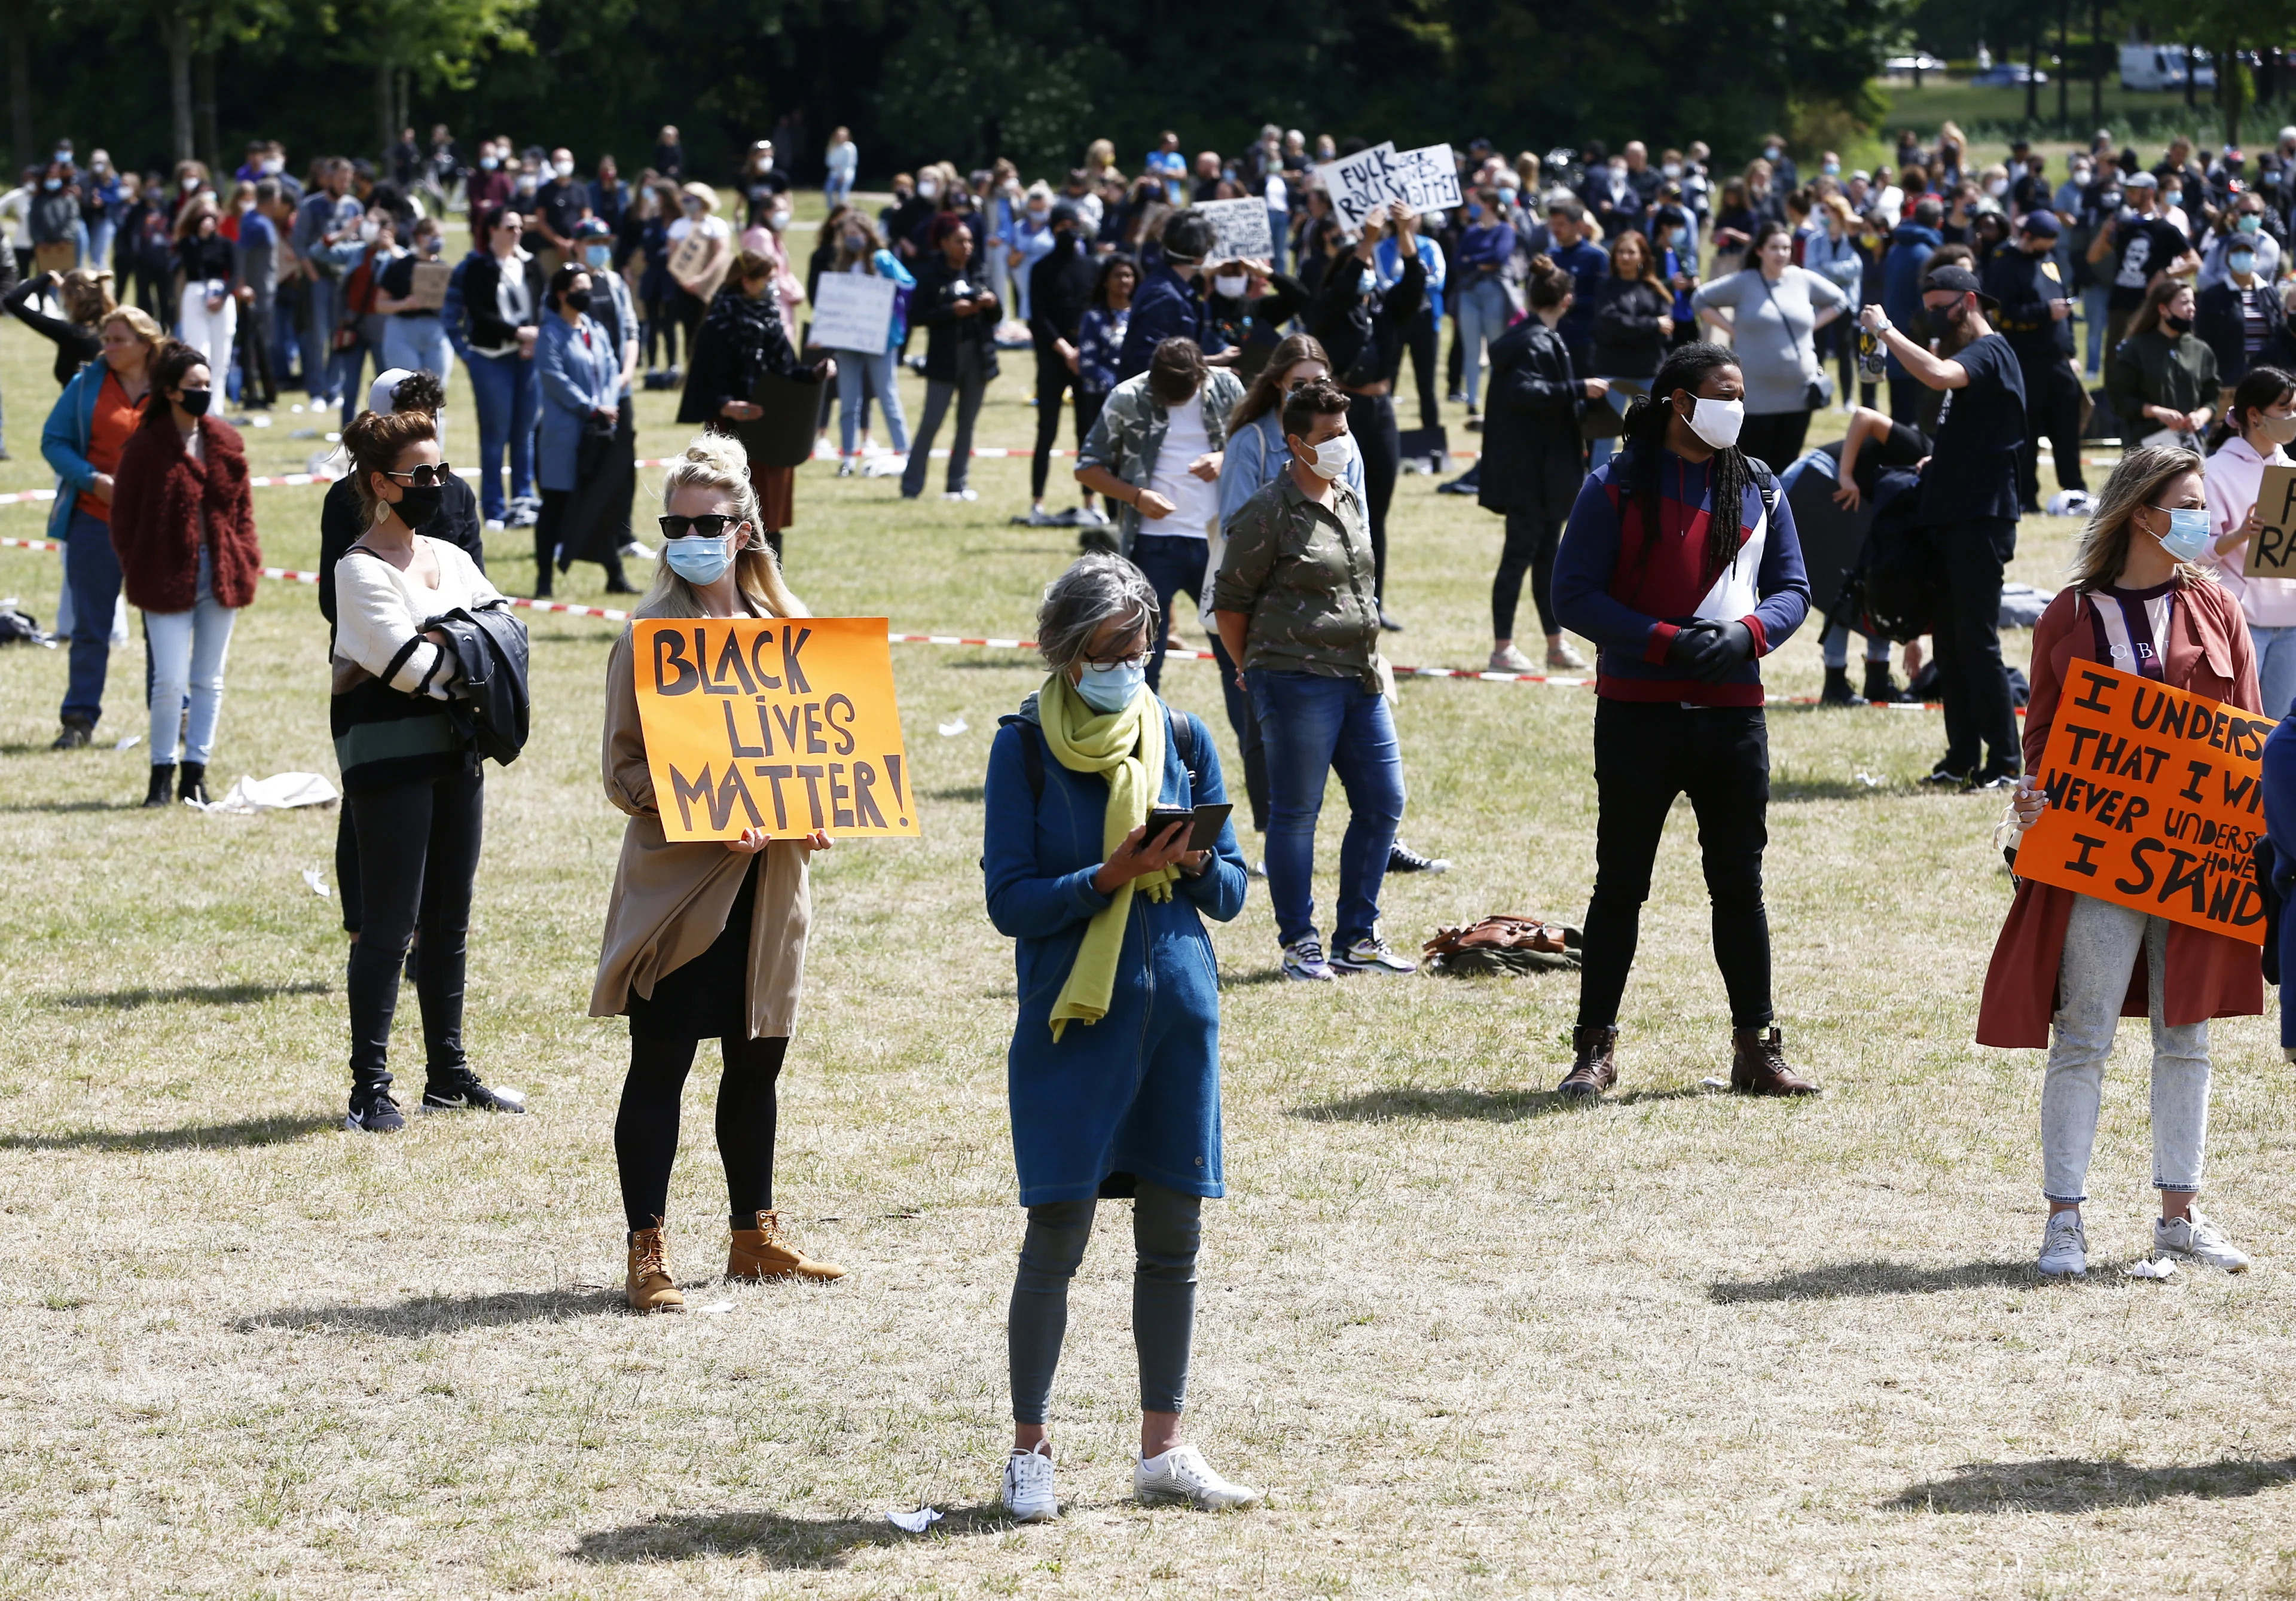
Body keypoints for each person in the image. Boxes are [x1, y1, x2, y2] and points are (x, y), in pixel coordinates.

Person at [981, 552, 1257, 1520]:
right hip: (1073, 1024)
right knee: (1056, 1231)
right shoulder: (1022, 748)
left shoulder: (1182, 733)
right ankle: (1029, 1450)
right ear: (1065, 654)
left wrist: (1186, 859)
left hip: (1178, 1017)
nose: (1127, 666)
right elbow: (1009, 901)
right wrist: (1104, 877)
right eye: (1108, 651)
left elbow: (1231, 889)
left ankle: (1164, 1446)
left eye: (1141, 649)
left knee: (1173, 1237)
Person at [1980, 447, 2260, 1278]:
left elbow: (2246, 734)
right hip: (2098, 862)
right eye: (2187, 503)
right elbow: (2043, 742)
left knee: (2188, 1034)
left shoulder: (2219, 609)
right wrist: (2030, 798)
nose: (2202, 520)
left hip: (2198, 862)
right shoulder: (2068, 613)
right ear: (2142, 513)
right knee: (2084, 1035)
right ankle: (2064, 1221)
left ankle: (2181, 1216)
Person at [593, 435, 841, 1309]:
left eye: (708, 521)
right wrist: (700, 810)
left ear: (744, 530)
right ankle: (646, 1250)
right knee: (659, 1066)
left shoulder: (787, 631)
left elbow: (819, 756)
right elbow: (624, 772)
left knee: (757, 1063)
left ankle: (754, 1235)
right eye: (675, 522)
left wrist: (814, 808)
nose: (690, 535)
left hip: (770, 893)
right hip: (682, 892)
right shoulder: (650, 635)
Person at [1550, 341, 1818, 1099]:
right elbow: (1574, 596)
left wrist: (1749, 635)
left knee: (1741, 884)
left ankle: (1757, 1048)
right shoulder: (1615, 485)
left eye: (1740, 392)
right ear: (1678, 401)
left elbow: (1793, 586)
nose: (1737, 406)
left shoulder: (1762, 485)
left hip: (1735, 718)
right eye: (1722, 392)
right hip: (1638, 715)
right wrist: (1665, 640)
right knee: (1620, 886)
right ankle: (1594, 1049)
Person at [329, 405, 525, 1133]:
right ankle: (369, 1087)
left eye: (440, 469)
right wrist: (469, 647)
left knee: (449, 920)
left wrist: (459, 643)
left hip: (457, 752)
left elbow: (509, 633)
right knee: (389, 925)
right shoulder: (358, 567)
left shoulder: (454, 554)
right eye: (422, 473)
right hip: (389, 758)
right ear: (382, 482)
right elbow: (409, 668)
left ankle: (447, 1073)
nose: (437, 482)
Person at [1213, 378, 1415, 981]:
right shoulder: (1267, 512)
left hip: (1358, 675)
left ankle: (1356, 937)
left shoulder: (1349, 497)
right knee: (1296, 813)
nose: (1343, 443)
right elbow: (1231, 602)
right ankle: (1299, 942)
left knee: (1383, 802)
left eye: (1346, 431)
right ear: (1296, 443)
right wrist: (1249, 664)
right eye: (1330, 435)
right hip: (1295, 677)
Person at [1860, 265, 2028, 789]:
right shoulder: (1969, 360)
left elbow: (1936, 374)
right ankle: (1960, 759)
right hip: (1953, 515)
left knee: (1975, 642)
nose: (1935, 315)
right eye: (1927, 305)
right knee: (1951, 645)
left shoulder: (1990, 351)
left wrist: (1886, 332)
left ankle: (2004, 762)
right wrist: (1943, 461)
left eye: (1942, 305)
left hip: (1981, 519)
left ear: (1970, 301)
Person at [108, 340, 257, 808]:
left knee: (209, 679)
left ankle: (196, 772)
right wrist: (138, 564)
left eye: (208, 385)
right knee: (169, 679)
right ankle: (160, 773)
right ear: (170, 391)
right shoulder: (145, 447)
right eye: (195, 386)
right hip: (164, 572)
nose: (204, 392)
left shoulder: (227, 441)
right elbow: (123, 519)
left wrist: (246, 556)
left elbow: (244, 512)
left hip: (222, 572)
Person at [1073, 336, 1246, 691]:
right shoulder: (1128, 397)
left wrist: (1225, 459)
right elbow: (1086, 467)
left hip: (1220, 545)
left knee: (1238, 664)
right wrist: (1137, 497)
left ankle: (1253, 748)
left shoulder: (1228, 388)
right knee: (1140, 666)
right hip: (1151, 547)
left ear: (1202, 375)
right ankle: (1142, 746)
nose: (1172, 401)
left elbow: (1262, 450)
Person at [44, 306, 162, 750]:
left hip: (155, 529)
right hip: (94, 522)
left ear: (146, 344)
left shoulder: (171, 387)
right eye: (106, 339)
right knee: (90, 628)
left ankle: (173, 715)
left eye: (118, 340)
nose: (107, 347)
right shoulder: (84, 385)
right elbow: (52, 440)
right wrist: (91, 479)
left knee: (162, 626)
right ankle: (78, 720)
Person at [1483, 254, 1602, 675]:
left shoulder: (1533, 337)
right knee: (1518, 556)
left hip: (1545, 473)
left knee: (1549, 558)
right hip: (1529, 474)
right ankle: (1502, 649)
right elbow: (1524, 392)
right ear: (1566, 301)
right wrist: (1579, 388)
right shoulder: (1533, 342)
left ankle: (1555, 643)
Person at [1305, 201, 1422, 630]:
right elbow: (1335, 297)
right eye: (1364, 265)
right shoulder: (1332, 310)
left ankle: (1374, 599)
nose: (1371, 269)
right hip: (1341, 412)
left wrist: (1405, 234)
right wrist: (1367, 241)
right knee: (1336, 505)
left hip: (1380, 413)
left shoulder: (1385, 311)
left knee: (1377, 510)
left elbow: (1414, 286)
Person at [677, 248, 831, 558]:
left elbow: (784, 370)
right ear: (746, 281)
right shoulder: (719, 324)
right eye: (767, 279)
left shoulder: (770, 321)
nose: (772, 286)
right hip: (730, 431)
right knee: (733, 512)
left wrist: (815, 372)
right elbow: (703, 382)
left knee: (770, 514)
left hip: (770, 429)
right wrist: (726, 405)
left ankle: (773, 582)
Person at [1691, 219, 1849, 467]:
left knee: (1787, 465)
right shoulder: (1744, 282)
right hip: (1756, 396)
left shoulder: (1802, 279)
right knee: (1754, 466)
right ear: (1759, 250)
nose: (1782, 254)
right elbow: (1700, 299)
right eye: (1775, 247)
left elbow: (1840, 300)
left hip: (1798, 393)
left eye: (1786, 248)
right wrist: (1732, 329)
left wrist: (1811, 325)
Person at [1814, 405, 1926, 704]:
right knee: (1847, 585)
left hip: (1839, 493)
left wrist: (1911, 637)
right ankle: (1835, 682)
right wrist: (1847, 475)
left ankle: (1877, 678)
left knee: (1881, 576)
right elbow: (1864, 416)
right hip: (1817, 480)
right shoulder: (1921, 448)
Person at [444, 205, 544, 531]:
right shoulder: (476, 267)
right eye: (509, 227)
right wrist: (470, 353)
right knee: (495, 435)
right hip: (490, 358)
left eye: (519, 227)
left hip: (527, 360)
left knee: (524, 433)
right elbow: (477, 311)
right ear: (492, 231)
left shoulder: (530, 265)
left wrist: (534, 338)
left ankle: (524, 502)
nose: (516, 233)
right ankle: (495, 510)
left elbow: (542, 305)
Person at [2202, 366, 2296, 715]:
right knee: (2235, 724)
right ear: (2255, 415)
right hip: (2242, 619)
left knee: (2280, 727)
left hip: (2292, 619)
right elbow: (2195, 552)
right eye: (2284, 409)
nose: (2292, 417)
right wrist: (2239, 535)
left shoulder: (2291, 471)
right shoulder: (2215, 471)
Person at [533, 264, 631, 597]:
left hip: (600, 431)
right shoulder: (550, 333)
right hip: (564, 435)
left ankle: (614, 575)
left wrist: (607, 404)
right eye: (580, 287)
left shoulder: (596, 329)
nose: (587, 293)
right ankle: (544, 579)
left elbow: (611, 370)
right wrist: (591, 407)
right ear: (562, 294)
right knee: (555, 505)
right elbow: (554, 378)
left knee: (603, 502)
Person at [1986, 210, 2086, 514]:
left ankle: (2076, 492)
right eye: (2045, 241)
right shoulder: (2005, 264)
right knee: (2027, 432)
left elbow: (2061, 303)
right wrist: (2044, 312)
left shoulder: (2048, 260)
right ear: (2029, 237)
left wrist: (2070, 353)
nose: (2049, 246)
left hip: (2058, 361)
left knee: (2067, 430)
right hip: (2026, 361)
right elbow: (2003, 314)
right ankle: (2026, 496)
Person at [900, 216, 999, 502]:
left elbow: (998, 316)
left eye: (969, 241)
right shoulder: (932, 273)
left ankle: (957, 484)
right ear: (944, 244)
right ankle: (911, 486)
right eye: (960, 241)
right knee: (931, 422)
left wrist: (992, 304)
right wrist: (951, 311)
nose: (967, 246)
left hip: (978, 357)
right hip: (944, 358)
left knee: (967, 423)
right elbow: (918, 316)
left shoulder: (979, 269)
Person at [817, 212, 913, 474]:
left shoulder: (881, 259)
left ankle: (905, 453)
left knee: (887, 395)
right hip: (849, 339)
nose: (852, 240)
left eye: (856, 234)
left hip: (880, 338)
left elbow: (908, 283)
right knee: (849, 401)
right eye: (847, 235)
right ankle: (848, 457)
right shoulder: (843, 264)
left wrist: (890, 288)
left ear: (867, 234)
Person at [1024, 201, 1100, 527]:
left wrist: (1082, 352)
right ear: (1053, 228)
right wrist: (1066, 351)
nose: (1070, 231)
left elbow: (1096, 313)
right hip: (1053, 358)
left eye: (1075, 225)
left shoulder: (1093, 268)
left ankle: (1090, 502)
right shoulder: (1040, 269)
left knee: (1088, 434)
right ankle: (1037, 503)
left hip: (1086, 359)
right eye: (1064, 225)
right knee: (1047, 432)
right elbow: (1037, 317)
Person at [1586, 229, 1673, 473]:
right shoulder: (1606, 288)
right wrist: (1651, 325)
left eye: (1631, 252)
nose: (1625, 257)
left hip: (1648, 371)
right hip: (1611, 371)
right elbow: (1608, 324)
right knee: (1605, 436)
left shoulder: (1656, 290)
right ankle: (1596, 492)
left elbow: (1668, 329)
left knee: (1652, 433)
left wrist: (1631, 328)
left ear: (1642, 256)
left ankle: (1650, 486)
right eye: (1621, 252)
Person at [2107, 277, 2219, 454]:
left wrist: (2201, 416)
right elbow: (2120, 399)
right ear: (2163, 309)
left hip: (2188, 447)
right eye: (2184, 303)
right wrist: (2157, 412)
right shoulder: (2135, 348)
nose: (2192, 308)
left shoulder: (2201, 350)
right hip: (2144, 446)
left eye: (2193, 302)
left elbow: (2212, 398)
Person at [1374, 204, 1446, 432]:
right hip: (1393, 321)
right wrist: (1412, 286)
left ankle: (1431, 434)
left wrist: (1408, 286)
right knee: (1388, 378)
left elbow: (1439, 281)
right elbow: (1381, 283)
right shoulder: (1382, 248)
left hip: (1425, 320)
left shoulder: (1430, 246)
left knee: (1427, 383)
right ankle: (1382, 432)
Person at [2195, 231, 2290, 398]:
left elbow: (2280, 333)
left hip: (2268, 378)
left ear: (2256, 256)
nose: (2242, 256)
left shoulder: (2270, 294)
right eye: (2237, 251)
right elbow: (2203, 340)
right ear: (2228, 258)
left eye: (2247, 251)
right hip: (2228, 380)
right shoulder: (2213, 296)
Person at [1452, 190, 1515, 427]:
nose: (1473, 208)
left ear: (1488, 204)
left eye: (1477, 203)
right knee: (1471, 348)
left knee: (1495, 346)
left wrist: (1474, 261)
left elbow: (1500, 256)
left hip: (1494, 292)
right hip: (1470, 292)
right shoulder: (1471, 232)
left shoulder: (1505, 230)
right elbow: (1459, 260)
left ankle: (1496, 394)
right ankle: (1471, 398)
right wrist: (1482, 262)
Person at [374, 215, 455, 389]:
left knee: (436, 390)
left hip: (436, 331)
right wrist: (405, 304)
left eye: (440, 237)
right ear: (421, 238)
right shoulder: (401, 266)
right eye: (434, 237)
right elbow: (380, 304)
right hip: (403, 330)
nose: (438, 241)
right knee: (408, 390)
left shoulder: (444, 268)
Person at [6, 267, 108, 386]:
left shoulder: (73, 334)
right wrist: (67, 288)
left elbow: (12, 302)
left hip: (77, 404)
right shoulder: (109, 328)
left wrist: (46, 277)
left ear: (73, 297)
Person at [823, 127, 857, 208]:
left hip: (846, 174)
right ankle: (831, 210)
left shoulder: (850, 148)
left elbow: (850, 163)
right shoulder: (833, 147)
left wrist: (843, 175)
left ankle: (844, 211)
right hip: (834, 174)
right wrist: (834, 166)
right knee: (828, 190)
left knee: (842, 194)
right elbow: (829, 161)